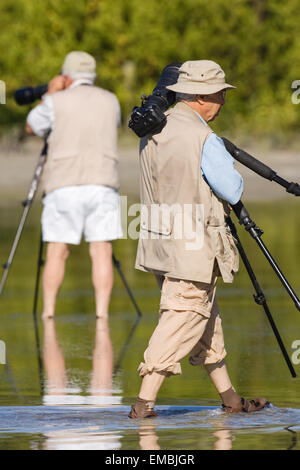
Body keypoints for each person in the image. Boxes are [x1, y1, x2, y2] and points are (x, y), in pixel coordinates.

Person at [129, 60, 268, 418]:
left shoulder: (152, 126)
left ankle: (232, 401)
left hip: (161, 241)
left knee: (204, 318)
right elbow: (232, 189)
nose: (223, 101)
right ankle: (143, 406)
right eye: (221, 94)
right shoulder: (202, 136)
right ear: (203, 96)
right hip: (192, 244)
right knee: (184, 314)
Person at [26, 51, 122, 322]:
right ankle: (102, 314)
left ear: (66, 76)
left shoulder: (55, 101)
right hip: (103, 182)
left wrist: (50, 93)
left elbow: (32, 126)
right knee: (102, 251)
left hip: (64, 184)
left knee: (57, 251)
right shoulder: (111, 100)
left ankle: (48, 313)